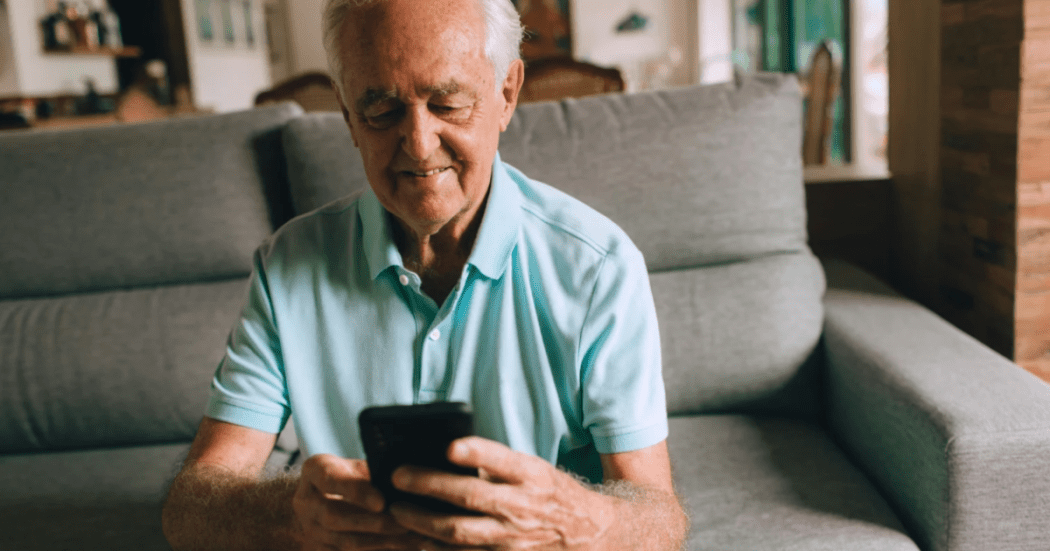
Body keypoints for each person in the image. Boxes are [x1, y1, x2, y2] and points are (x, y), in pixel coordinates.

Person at [162, 0, 689, 549]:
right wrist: (289, 516)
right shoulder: (286, 267)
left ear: (506, 94)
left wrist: (575, 520)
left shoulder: (599, 267)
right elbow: (191, 507)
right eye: (382, 112)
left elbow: (659, 517)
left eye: (449, 102)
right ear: (347, 116)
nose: (418, 144)